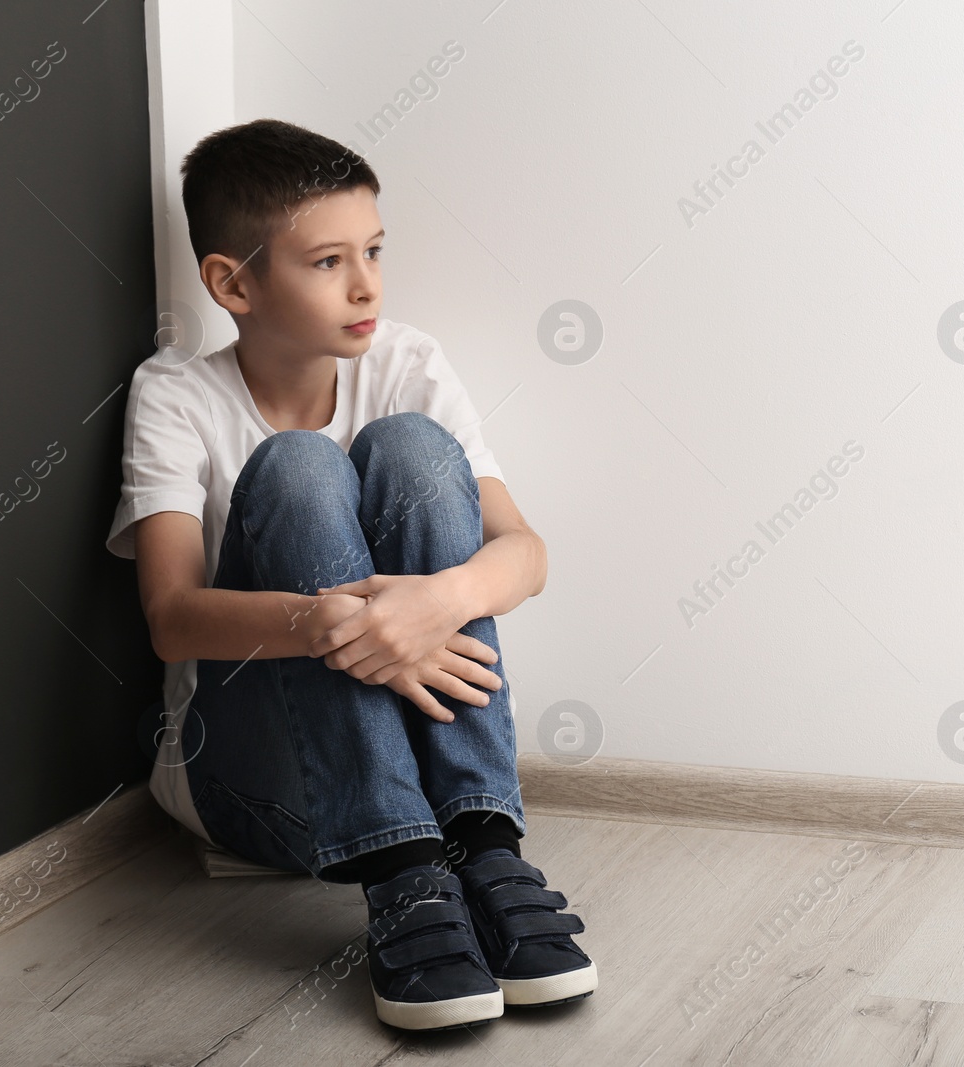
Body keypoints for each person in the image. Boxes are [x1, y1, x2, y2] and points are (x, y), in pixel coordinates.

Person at [104, 118, 596, 1031]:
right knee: (297, 466)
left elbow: (525, 553)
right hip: (255, 783)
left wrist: (429, 607)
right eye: (328, 261)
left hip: (427, 771)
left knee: (412, 448)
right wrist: (342, 626)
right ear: (232, 282)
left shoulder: (405, 361)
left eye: (373, 249)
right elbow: (172, 616)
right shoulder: (175, 393)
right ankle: (405, 875)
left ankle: (484, 846)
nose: (366, 282)